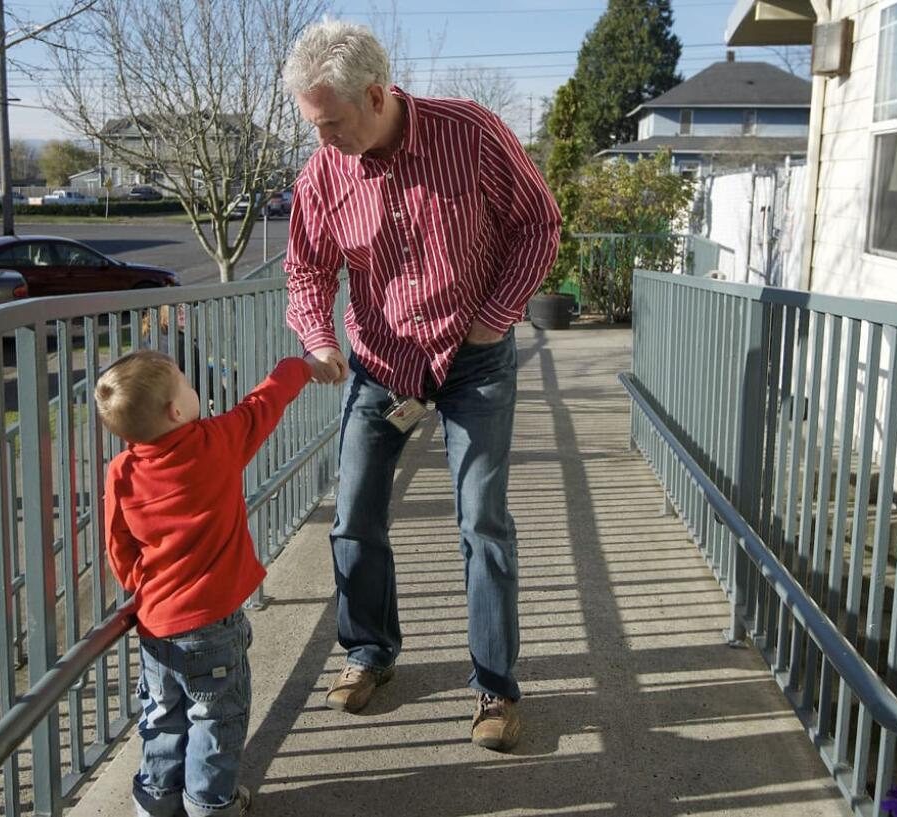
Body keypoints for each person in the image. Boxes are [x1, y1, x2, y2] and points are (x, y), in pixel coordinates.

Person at [282, 20, 561, 752]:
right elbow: (307, 269)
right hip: (382, 362)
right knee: (353, 516)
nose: (323, 140)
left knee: (482, 523)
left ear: (376, 95)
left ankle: (495, 688)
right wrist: (317, 338)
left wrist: (493, 319)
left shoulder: (470, 134)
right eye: (313, 125)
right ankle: (368, 652)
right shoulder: (323, 174)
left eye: (331, 123)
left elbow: (539, 224)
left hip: (474, 357)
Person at [95, 350, 312, 817]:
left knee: (162, 718)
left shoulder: (122, 472)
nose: (195, 391)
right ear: (177, 410)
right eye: (188, 385)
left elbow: (119, 547)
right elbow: (264, 403)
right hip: (211, 625)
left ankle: (156, 802)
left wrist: (145, 586)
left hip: (156, 626)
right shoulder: (215, 443)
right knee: (216, 719)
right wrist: (303, 365)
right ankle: (210, 805)